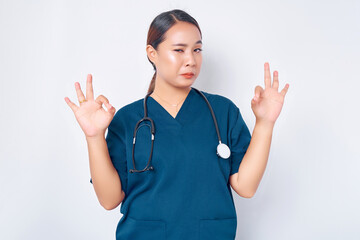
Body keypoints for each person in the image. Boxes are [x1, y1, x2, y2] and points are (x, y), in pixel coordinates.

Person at [65, 9, 289, 240]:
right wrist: (93, 137)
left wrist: (265, 123)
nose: (191, 60)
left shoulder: (223, 112)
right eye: (179, 50)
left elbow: (246, 186)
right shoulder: (127, 119)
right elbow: (109, 199)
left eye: (197, 49)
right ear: (152, 53)